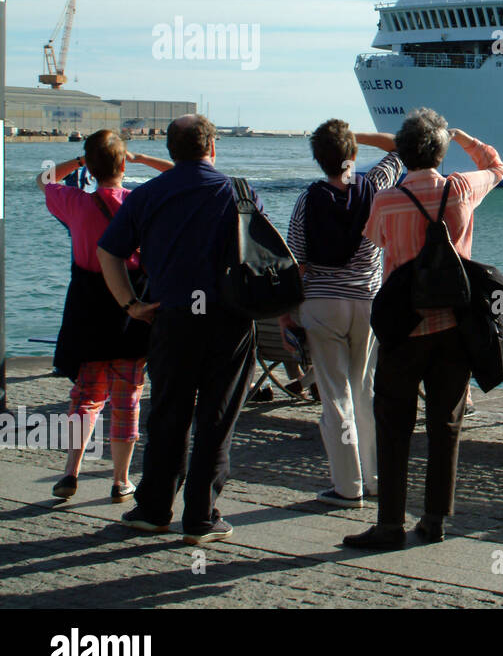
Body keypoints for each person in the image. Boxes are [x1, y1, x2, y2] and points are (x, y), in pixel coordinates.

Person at [97, 114, 266, 546]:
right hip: (227, 320)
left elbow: (108, 251)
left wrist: (130, 305)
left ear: (171, 151)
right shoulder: (239, 193)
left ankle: (154, 509)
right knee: (217, 418)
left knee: (169, 413)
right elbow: (261, 257)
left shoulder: (146, 195)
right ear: (213, 147)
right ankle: (201, 517)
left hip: (170, 317)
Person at [343, 109, 503, 549]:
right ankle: (434, 521)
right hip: (454, 326)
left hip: (403, 328)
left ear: (402, 151)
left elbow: (377, 241)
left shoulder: (385, 201)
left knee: (393, 424)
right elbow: (496, 167)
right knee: (445, 423)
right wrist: (465, 137)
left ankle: (390, 525)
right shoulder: (461, 190)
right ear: (440, 149)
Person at [41, 132, 172, 501]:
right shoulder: (139, 202)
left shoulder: (73, 202)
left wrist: (82, 161)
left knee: (84, 395)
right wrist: (143, 157)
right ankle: (120, 479)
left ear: (90, 166)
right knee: (126, 398)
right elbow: (180, 174)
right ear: (123, 165)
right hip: (131, 304)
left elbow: (44, 178)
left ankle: (71, 471)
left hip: (86, 306)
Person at [284, 120, 402, 508]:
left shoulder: (308, 200)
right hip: (367, 303)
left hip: (322, 304)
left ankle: (347, 487)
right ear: (352, 155)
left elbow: (296, 262)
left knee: (335, 396)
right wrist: (355, 142)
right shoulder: (376, 186)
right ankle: (374, 478)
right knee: (365, 391)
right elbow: (400, 145)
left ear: (318, 160)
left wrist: (287, 314)